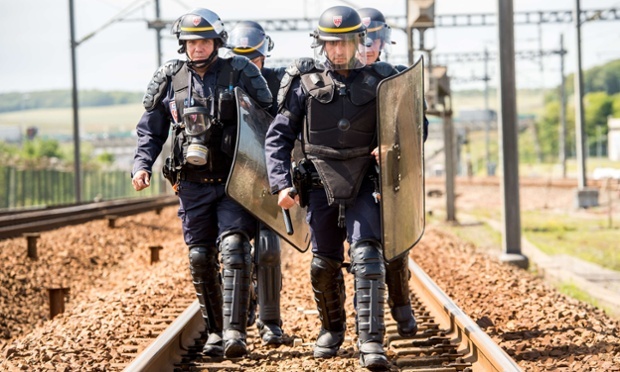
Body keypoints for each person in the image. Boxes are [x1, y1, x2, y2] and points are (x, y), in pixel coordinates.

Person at [130, 8, 273, 358]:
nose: (197, 48)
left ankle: (236, 332)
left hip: (233, 181)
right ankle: (215, 331)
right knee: (199, 257)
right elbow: (150, 130)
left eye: (204, 41)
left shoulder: (238, 71)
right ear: (183, 44)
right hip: (191, 184)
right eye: (191, 42)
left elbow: (267, 119)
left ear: (217, 42)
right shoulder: (169, 79)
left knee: (236, 249)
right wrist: (141, 166)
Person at [265, 5, 401, 370]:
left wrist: (389, 146)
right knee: (323, 263)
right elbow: (278, 138)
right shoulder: (304, 83)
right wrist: (281, 184)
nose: (338, 51)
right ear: (321, 45)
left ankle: (371, 342)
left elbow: (411, 126)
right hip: (318, 180)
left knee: (368, 257)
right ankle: (332, 330)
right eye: (331, 44)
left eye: (345, 43)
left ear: (359, 41)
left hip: (365, 180)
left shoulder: (383, 80)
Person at [357, 6, 421, 339]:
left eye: (375, 38)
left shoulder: (396, 77)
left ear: (384, 41)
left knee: (395, 245)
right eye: (364, 38)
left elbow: (416, 129)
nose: (369, 45)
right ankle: (337, 322)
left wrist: (392, 149)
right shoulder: (332, 76)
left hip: (387, 175)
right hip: (341, 177)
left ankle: (401, 306)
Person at [224, 20, 286, 346]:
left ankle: (271, 322)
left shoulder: (279, 81)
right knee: (234, 250)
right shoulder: (223, 82)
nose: (251, 65)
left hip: (268, 178)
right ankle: (241, 309)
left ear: (265, 56)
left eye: (256, 59)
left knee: (269, 249)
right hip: (232, 179)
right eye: (242, 58)